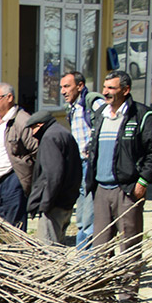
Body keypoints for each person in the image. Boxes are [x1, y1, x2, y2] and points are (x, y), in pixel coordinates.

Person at [87, 71, 152, 302]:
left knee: (129, 247)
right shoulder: (101, 113)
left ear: (125, 90)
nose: (105, 92)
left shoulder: (140, 115)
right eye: (104, 87)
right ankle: (101, 295)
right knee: (100, 248)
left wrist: (143, 181)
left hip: (127, 191)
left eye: (111, 88)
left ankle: (127, 298)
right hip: (101, 189)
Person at [58, 69, 102, 248]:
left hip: (91, 164)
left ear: (80, 86)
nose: (63, 91)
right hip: (80, 165)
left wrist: (93, 150)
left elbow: (106, 124)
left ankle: (86, 260)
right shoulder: (73, 107)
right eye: (61, 87)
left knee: (88, 216)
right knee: (82, 213)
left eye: (67, 86)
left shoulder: (93, 103)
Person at [24, 113, 81, 245]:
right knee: (59, 245)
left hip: (54, 205)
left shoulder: (50, 138)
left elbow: (53, 175)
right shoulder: (64, 132)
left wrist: (45, 204)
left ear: (40, 125)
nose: (32, 134)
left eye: (32, 129)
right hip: (67, 201)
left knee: (48, 248)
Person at [0, 83, 33, 229]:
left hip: (13, 179)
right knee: (2, 225)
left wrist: (25, 172)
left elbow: (35, 150)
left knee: (14, 225)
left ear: (9, 98)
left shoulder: (21, 120)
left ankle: (18, 251)